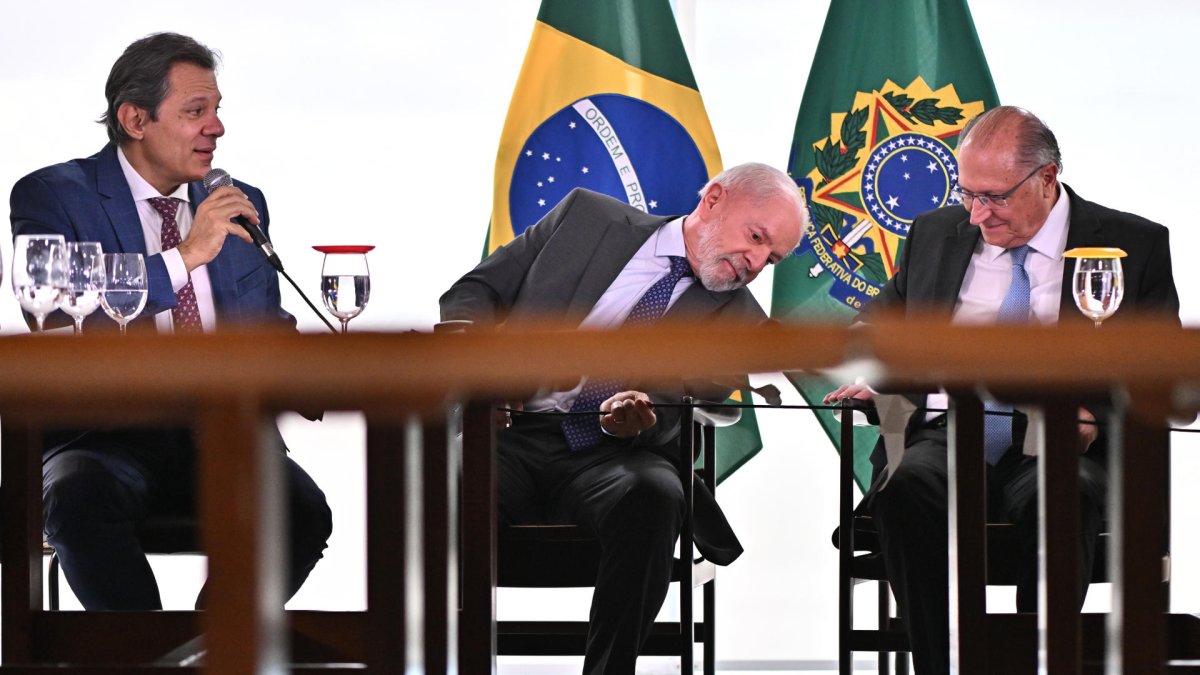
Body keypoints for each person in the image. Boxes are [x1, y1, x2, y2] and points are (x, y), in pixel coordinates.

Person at [823, 106, 1180, 675]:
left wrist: (1094, 407)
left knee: (1063, 495)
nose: (977, 215)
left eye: (994, 197)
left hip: (1062, 441)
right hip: (946, 432)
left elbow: (1159, 366)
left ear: (1047, 178)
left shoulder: (1131, 244)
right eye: (968, 194)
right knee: (907, 488)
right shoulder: (936, 234)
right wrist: (876, 374)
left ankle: (1042, 664)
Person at [9, 32, 332, 610]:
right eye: (195, 111)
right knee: (78, 500)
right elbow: (57, 321)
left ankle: (206, 651)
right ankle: (145, 657)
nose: (217, 128)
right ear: (135, 118)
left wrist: (320, 367)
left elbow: (266, 327)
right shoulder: (53, 196)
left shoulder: (236, 199)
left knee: (301, 513)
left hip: (225, 434)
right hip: (101, 436)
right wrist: (184, 257)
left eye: (217, 111)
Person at [440, 163, 806, 674]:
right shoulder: (586, 217)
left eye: (773, 257)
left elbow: (708, 403)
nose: (756, 262)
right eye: (756, 237)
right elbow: (473, 293)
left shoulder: (738, 316)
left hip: (616, 459)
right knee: (439, 480)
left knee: (656, 495)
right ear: (715, 199)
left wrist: (646, 421)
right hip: (511, 431)